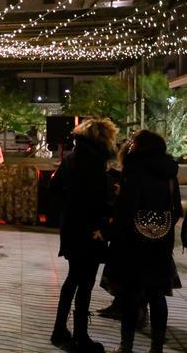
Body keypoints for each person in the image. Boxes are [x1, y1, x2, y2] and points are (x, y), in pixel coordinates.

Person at [109, 131, 182, 353]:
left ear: (140, 147)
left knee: (132, 294)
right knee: (157, 293)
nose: (129, 145)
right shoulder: (170, 173)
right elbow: (176, 209)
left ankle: (126, 346)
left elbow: (128, 208)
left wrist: (113, 232)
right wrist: (159, 230)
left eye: (133, 142)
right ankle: (156, 347)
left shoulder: (134, 169)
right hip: (161, 242)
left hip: (134, 241)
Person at [49, 119, 118, 353]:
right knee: (85, 282)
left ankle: (60, 330)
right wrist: (102, 221)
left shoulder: (72, 158)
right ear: (102, 138)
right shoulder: (95, 162)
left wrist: (69, 210)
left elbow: (54, 189)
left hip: (71, 228)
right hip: (90, 231)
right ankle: (80, 335)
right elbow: (99, 199)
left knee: (73, 279)